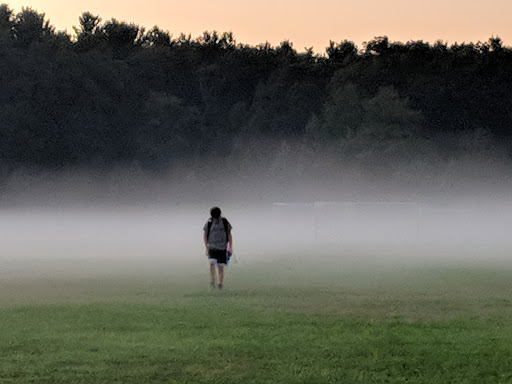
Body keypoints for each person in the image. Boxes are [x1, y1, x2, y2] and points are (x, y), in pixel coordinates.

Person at [203, 206, 233, 289]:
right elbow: (205, 235)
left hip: (222, 248)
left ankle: (220, 284)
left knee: (220, 267)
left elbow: (229, 234)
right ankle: (212, 282)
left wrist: (230, 247)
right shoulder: (209, 222)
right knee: (212, 264)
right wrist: (206, 247)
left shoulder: (224, 221)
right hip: (212, 247)